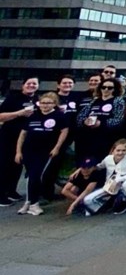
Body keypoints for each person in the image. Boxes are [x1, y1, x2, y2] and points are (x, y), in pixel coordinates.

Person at [14, 92, 69, 216]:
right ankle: (29, 202)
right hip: (29, 151)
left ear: (54, 104)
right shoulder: (33, 115)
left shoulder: (59, 116)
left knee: (36, 175)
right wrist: (18, 151)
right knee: (30, 176)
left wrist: (57, 148)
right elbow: (23, 134)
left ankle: (33, 203)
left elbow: (64, 132)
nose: (45, 105)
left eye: (48, 103)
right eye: (42, 103)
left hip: (45, 152)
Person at [0, 76, 39, 206]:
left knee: (18, 165)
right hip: (9, 136)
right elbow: (1, 116)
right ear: (23, 85)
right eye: (29, 83)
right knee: (5, 165)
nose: (31, 85)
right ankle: (1, 194)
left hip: (27, 138)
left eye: (34, 84)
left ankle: (11, 191)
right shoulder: (13, 98)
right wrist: (19, 113)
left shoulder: (37, 100)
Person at [82, 139, 126, 215]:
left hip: (123, 185)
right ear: (113, 150)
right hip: (109, 186)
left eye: (123, 150)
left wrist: (119, 179)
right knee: (87, 199)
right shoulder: (108, 159)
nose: (120, 153)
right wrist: (84, 169)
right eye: (118, 150)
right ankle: (104, 205)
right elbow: (99, 166)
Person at [75, 78, 126, 161]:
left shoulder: (118, 101)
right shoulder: (94, 101)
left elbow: (119, 120)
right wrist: (85, 121)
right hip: (90, 136)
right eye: (103, 87)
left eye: (110, 88)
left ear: (115, 89)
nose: (106, 89)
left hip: (107, 138)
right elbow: (80, 117)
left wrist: (101, 123)